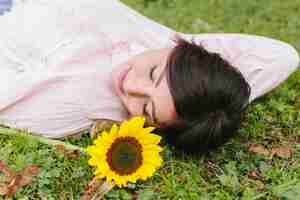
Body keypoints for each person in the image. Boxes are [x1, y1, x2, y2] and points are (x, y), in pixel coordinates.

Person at [0, 0, 299, 153]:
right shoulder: (159, 41)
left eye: (146, 108)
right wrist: (180, 43)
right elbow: (284, 56)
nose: (130, 84)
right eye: (153, 73)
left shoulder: (79, 104)